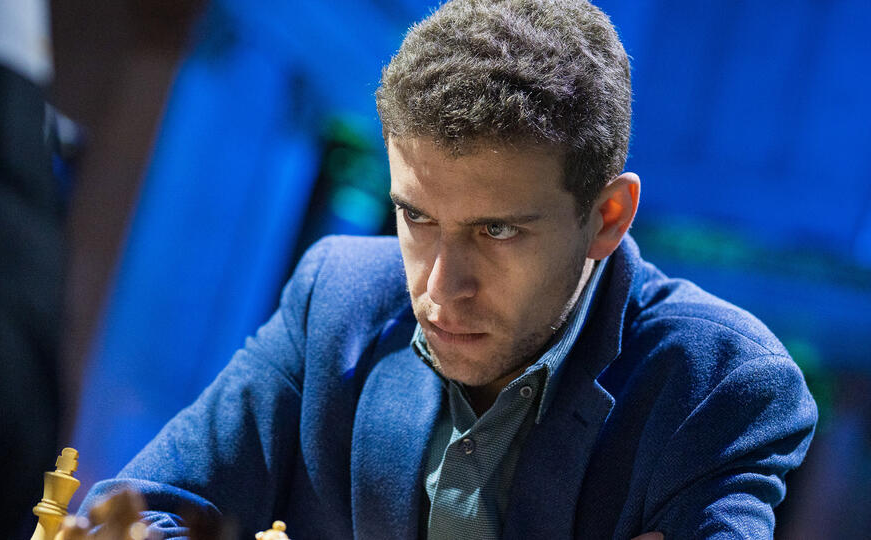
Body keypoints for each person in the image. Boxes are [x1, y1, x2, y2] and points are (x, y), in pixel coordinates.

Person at [79, 0, 817, 538]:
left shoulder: (719, 384)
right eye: (417, 218)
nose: (438, 289)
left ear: (606, 217)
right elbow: (142, 509)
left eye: (497, 230)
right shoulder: (338, 295)